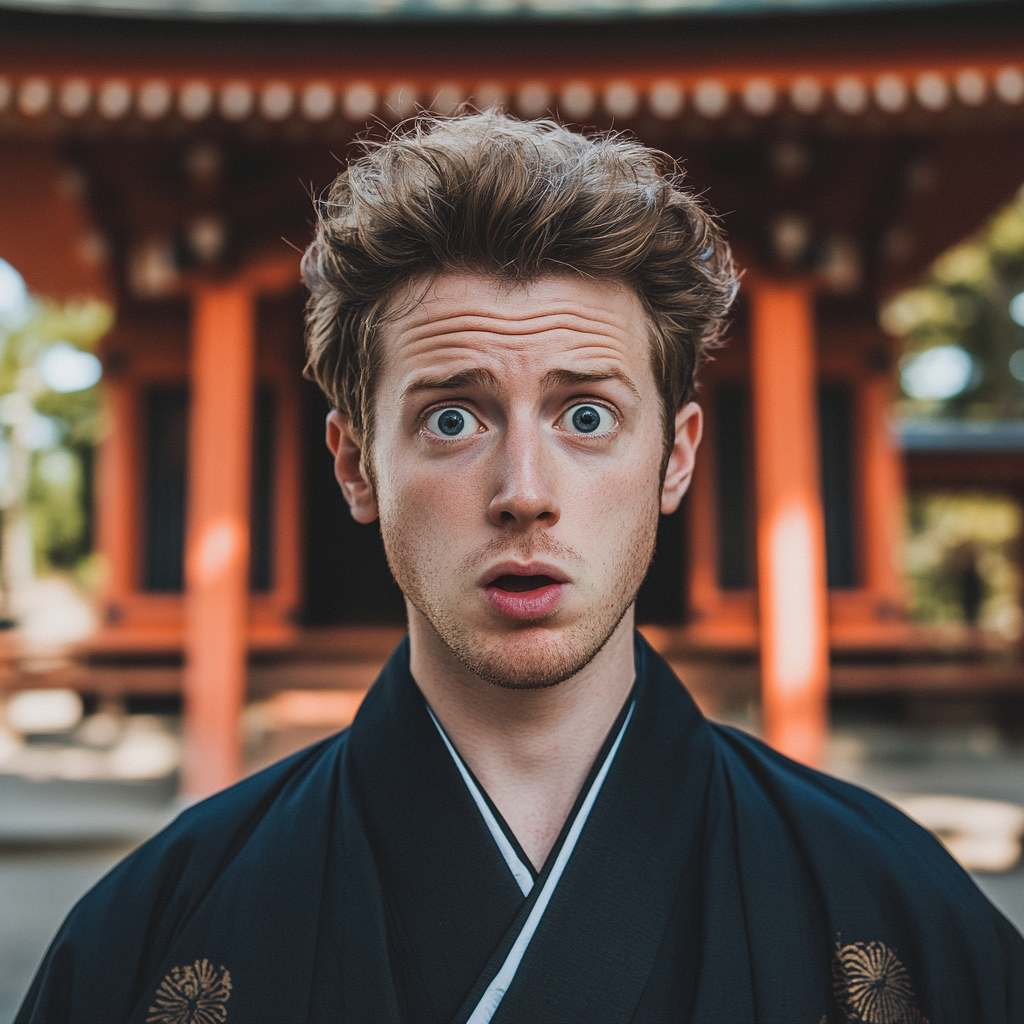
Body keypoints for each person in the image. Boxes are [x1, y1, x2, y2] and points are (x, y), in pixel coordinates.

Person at [17, 113, 1024, 1024]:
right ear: (357, 464)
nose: (524, 490)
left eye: (586, 415)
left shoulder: (895, 910)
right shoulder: (158, 932)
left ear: (673, 457)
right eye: (451, 417)